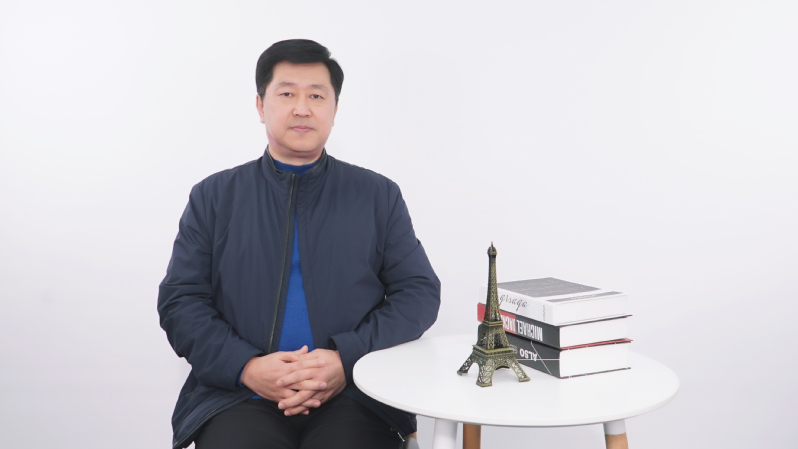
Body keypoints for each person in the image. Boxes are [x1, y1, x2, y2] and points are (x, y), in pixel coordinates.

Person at [158, 39, 441, 449]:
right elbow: (181, 301)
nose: (302, 108)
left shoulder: (377, 195)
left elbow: (418, 292)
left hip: (355, 394)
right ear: (261, 106)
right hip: (238, 395)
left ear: (334, 109)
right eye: (287, 94)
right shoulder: (214, 197)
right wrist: (247, 367)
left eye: (316, 96)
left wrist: (346, 359)